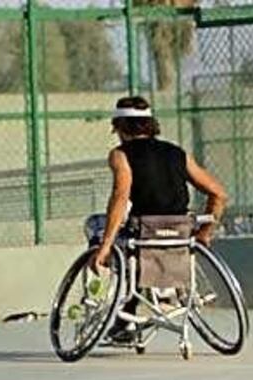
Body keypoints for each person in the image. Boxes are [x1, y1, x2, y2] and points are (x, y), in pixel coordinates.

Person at [91, 95, 229, 341]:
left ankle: (118, 310)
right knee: (140, 247)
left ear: (120, 127)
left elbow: (121, 197)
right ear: (149, 123)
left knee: (95, 226)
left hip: (143, 232)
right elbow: (219, 194)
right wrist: (205, 233)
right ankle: (136, 310)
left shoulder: (120, 155)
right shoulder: (177, 153)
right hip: (180, 233)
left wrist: (105, 246)